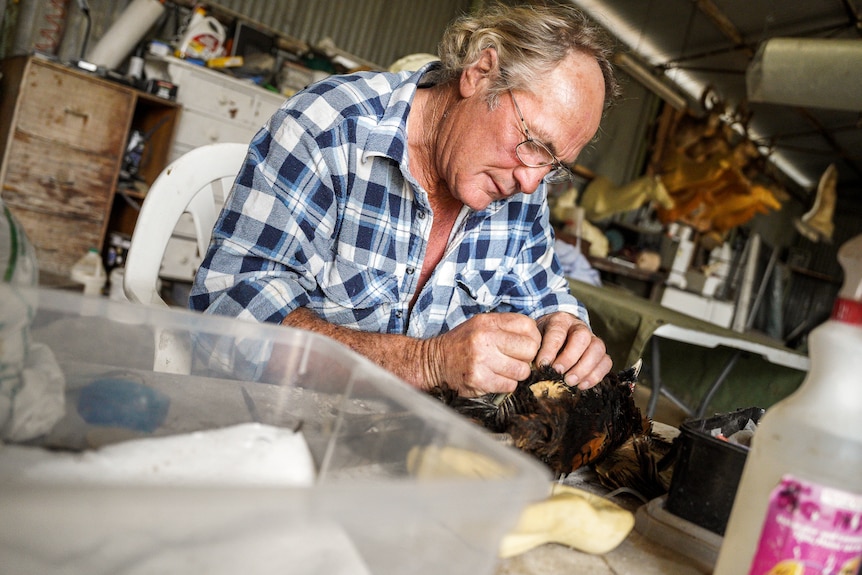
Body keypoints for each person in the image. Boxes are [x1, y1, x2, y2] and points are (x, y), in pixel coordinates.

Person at [190, 3, 619, 397]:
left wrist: (566, 331)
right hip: (275, 429)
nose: (531, 182)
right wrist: (427, 362)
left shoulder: (523, 185)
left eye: (554, 163)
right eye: (533, 142)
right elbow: (229, 312)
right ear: (480, 71)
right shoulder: (330, 129)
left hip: (412, 452)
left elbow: (546, 302)